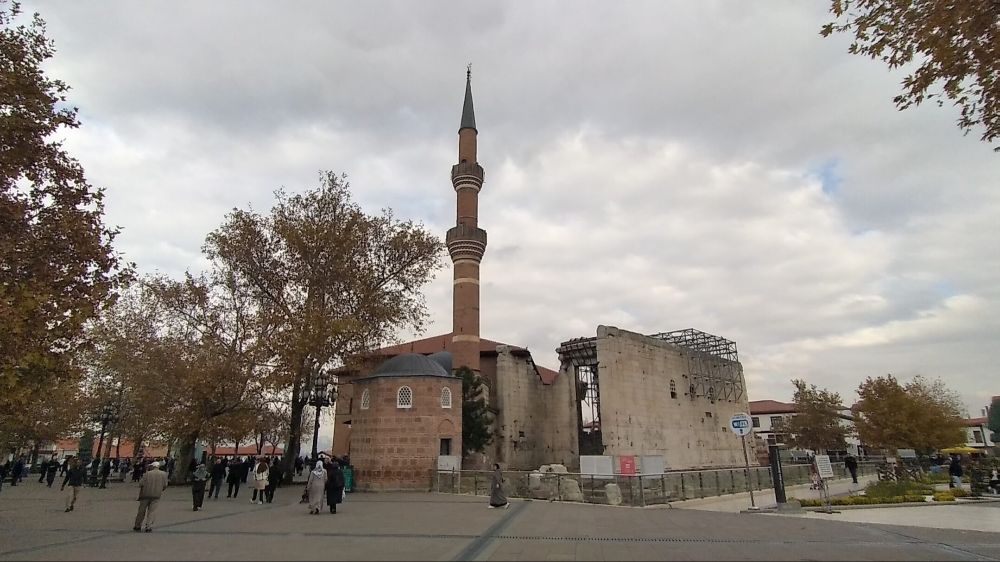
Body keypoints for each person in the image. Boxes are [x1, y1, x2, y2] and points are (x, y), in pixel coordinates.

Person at [134, 461, 168, 532]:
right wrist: (160, 489)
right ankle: (148, 526)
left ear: (152, 466)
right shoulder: (163, 474)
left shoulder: (147, 474)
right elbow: (165, 485)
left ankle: (137, 525)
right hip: (156, 495)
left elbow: (140, 484)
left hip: (145, 495)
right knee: (152, 511)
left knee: (141, 511)